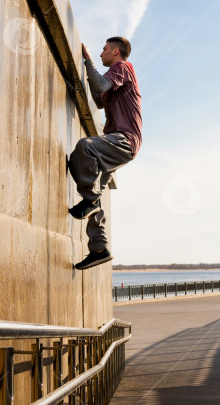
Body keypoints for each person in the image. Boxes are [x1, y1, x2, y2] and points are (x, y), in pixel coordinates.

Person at [67, 36, 142, 270]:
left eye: (104, 50)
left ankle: (89, 200)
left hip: (123, 139)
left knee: (85, 147)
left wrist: (88, 60)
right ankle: (99, 248)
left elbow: (99, 85)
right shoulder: (117, 79)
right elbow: (100, 99)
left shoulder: (123, 67)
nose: (101, 54)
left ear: (116, 52)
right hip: (120, 143)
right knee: (93, 188)